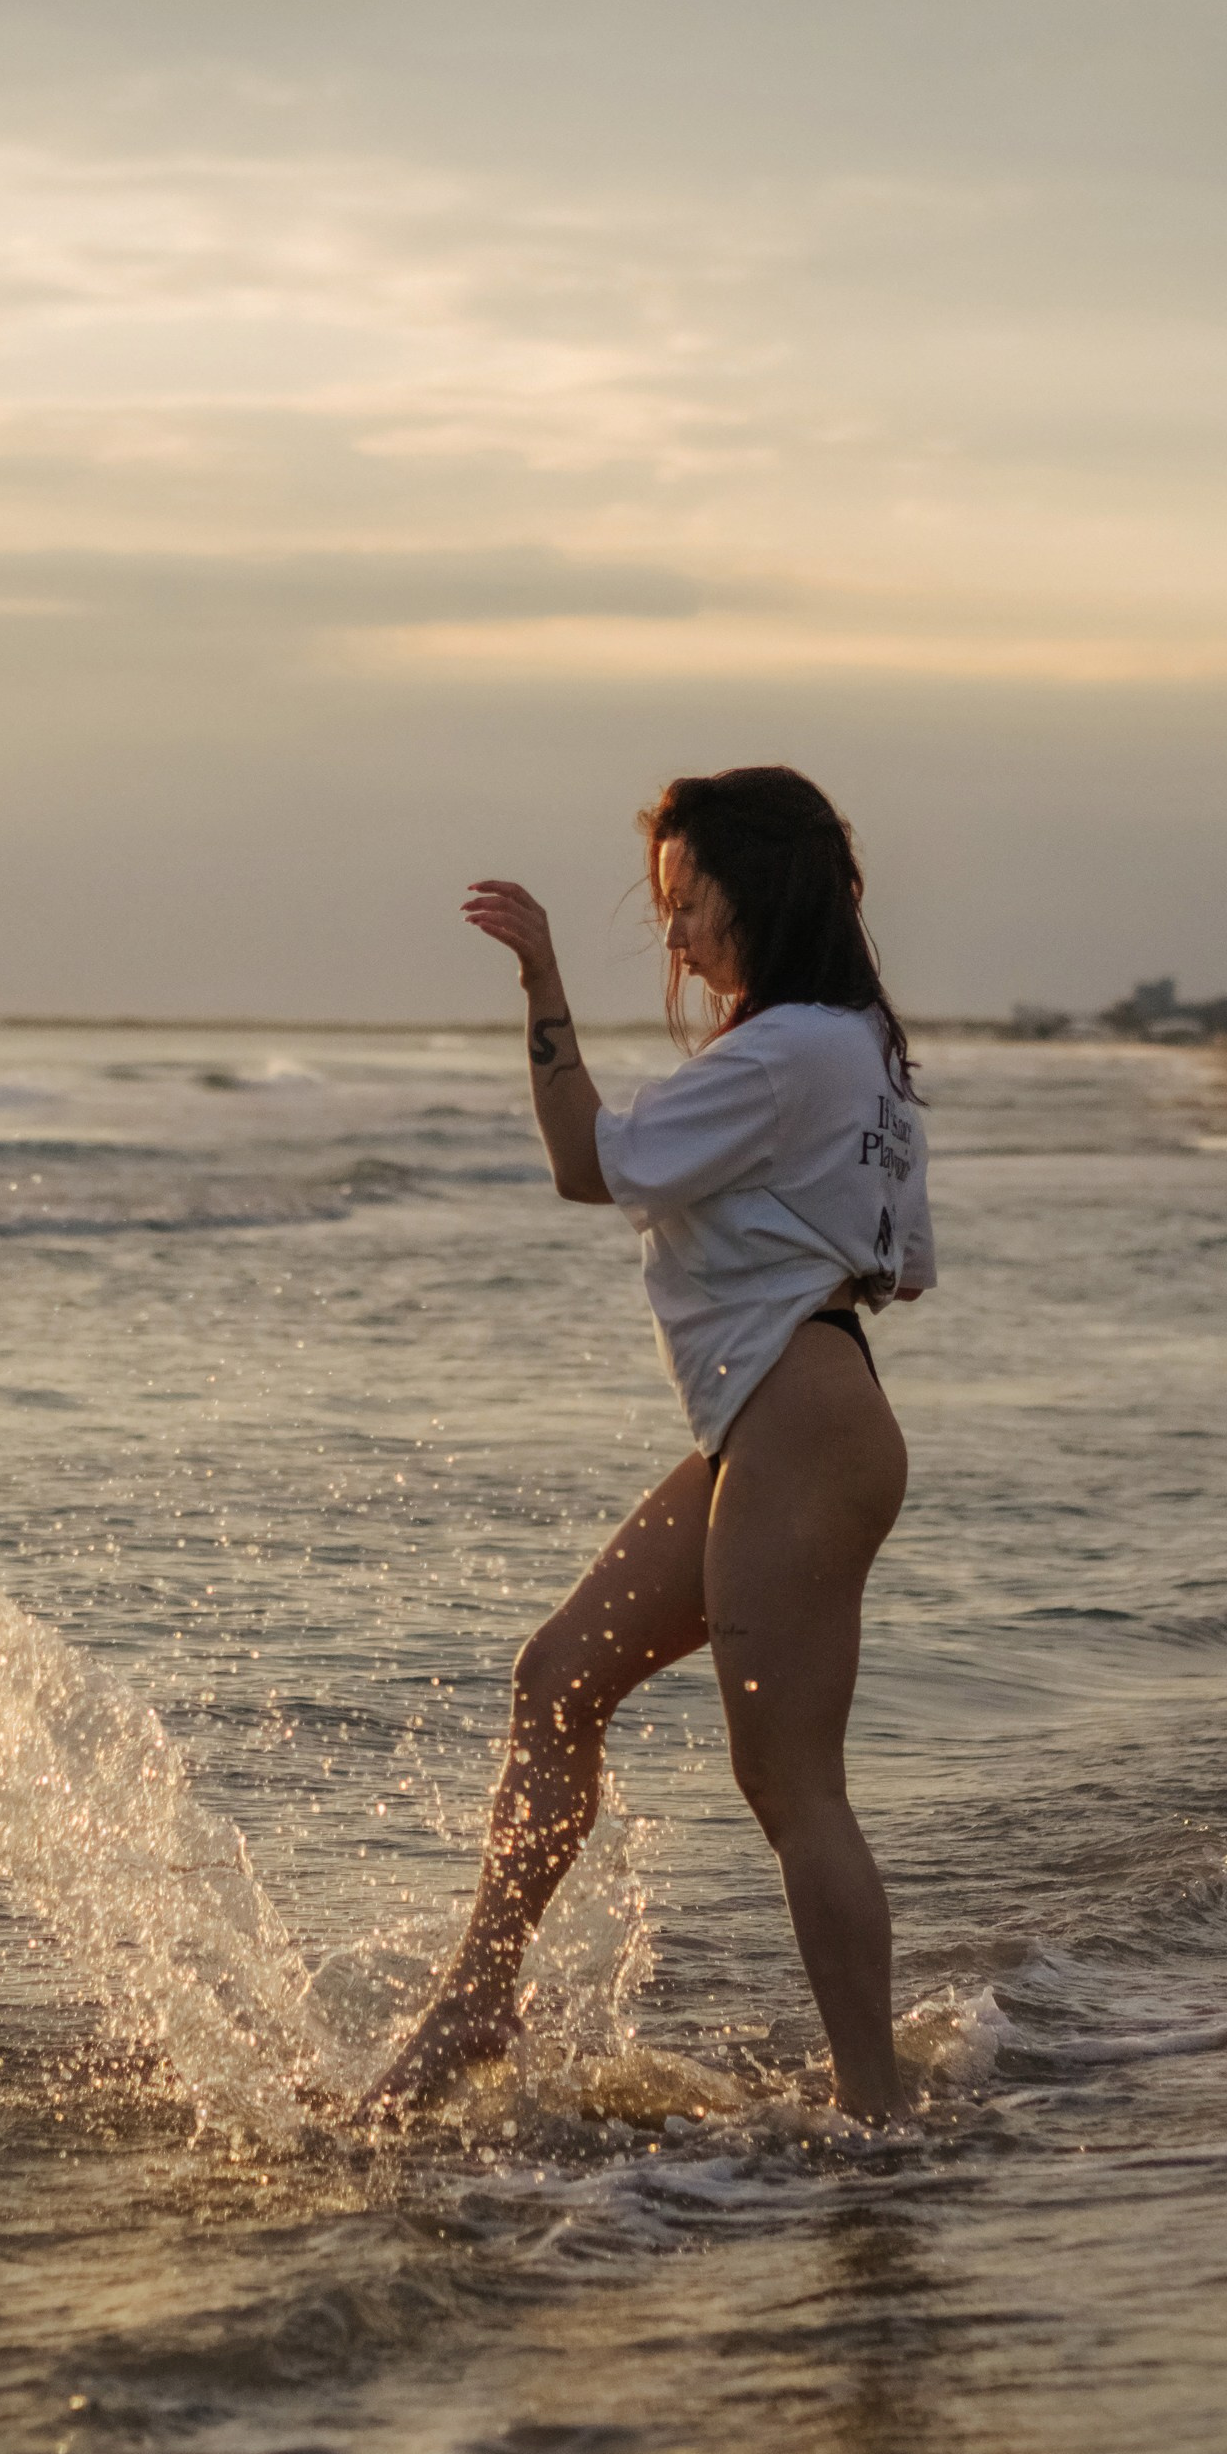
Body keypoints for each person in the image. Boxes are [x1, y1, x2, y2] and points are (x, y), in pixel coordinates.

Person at [363, 765, 934, 2125]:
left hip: (798, 1419)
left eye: (689, 906)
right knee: (558, 1676)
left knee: (792, 1785)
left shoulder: (789, 1050)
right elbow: (900, 1260)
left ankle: (879, 2119)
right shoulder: (858, 1046)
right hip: (795, 1410)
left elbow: (584, 1160)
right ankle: (481, 1993)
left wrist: (541, 984)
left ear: (764, 892)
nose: (675, 939)